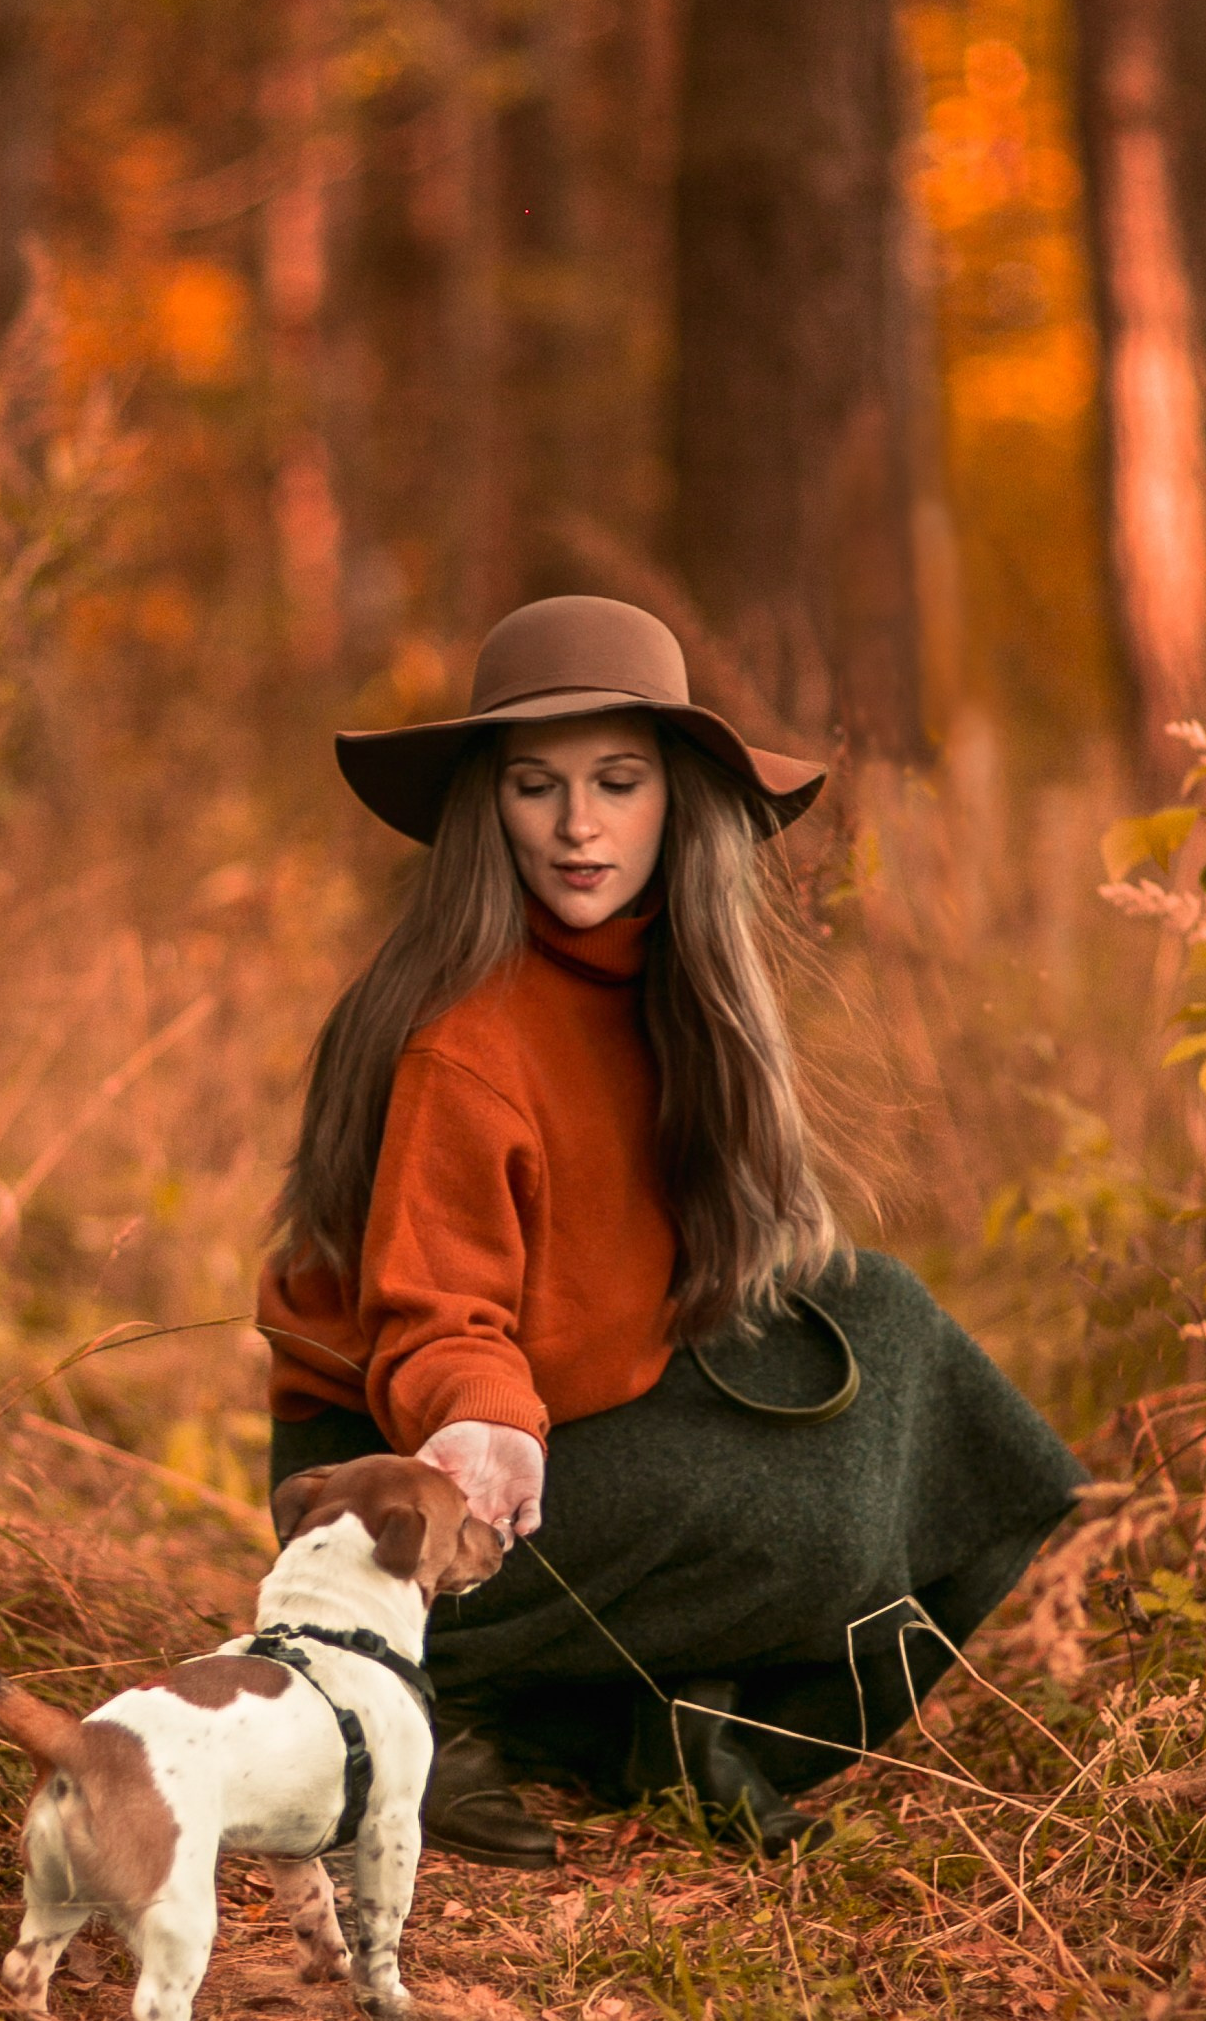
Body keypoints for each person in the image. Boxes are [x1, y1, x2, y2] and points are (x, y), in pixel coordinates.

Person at [257, 594, 1087, 1868]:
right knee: (819, 1521)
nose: (579, 826)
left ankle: (658, 1725)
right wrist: (483, 1420)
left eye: (617, 783)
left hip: (573, 1406)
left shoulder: (667, 986)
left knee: (898, 1333)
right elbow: (435, 1313)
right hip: (399, 1475)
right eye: (537, 787)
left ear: (674, 804)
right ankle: (442, 1688)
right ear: (492, 808)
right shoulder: (462, 1039)